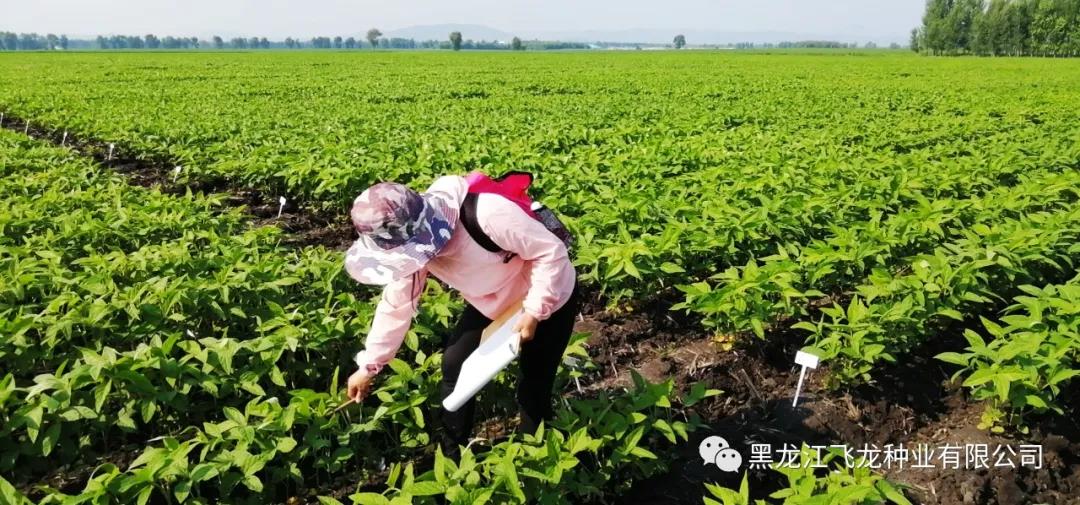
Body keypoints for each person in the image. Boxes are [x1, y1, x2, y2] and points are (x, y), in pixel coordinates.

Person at [343, 175, 578, 456]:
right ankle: (453, 458)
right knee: (454, 363)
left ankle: (538, 456)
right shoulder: (410, 255)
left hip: (547, 295)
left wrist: (535, 310)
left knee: (533, 384)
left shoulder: (488, 215)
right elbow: (397, 305)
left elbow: (551, 252)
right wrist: (368, 366)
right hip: (492, 302)